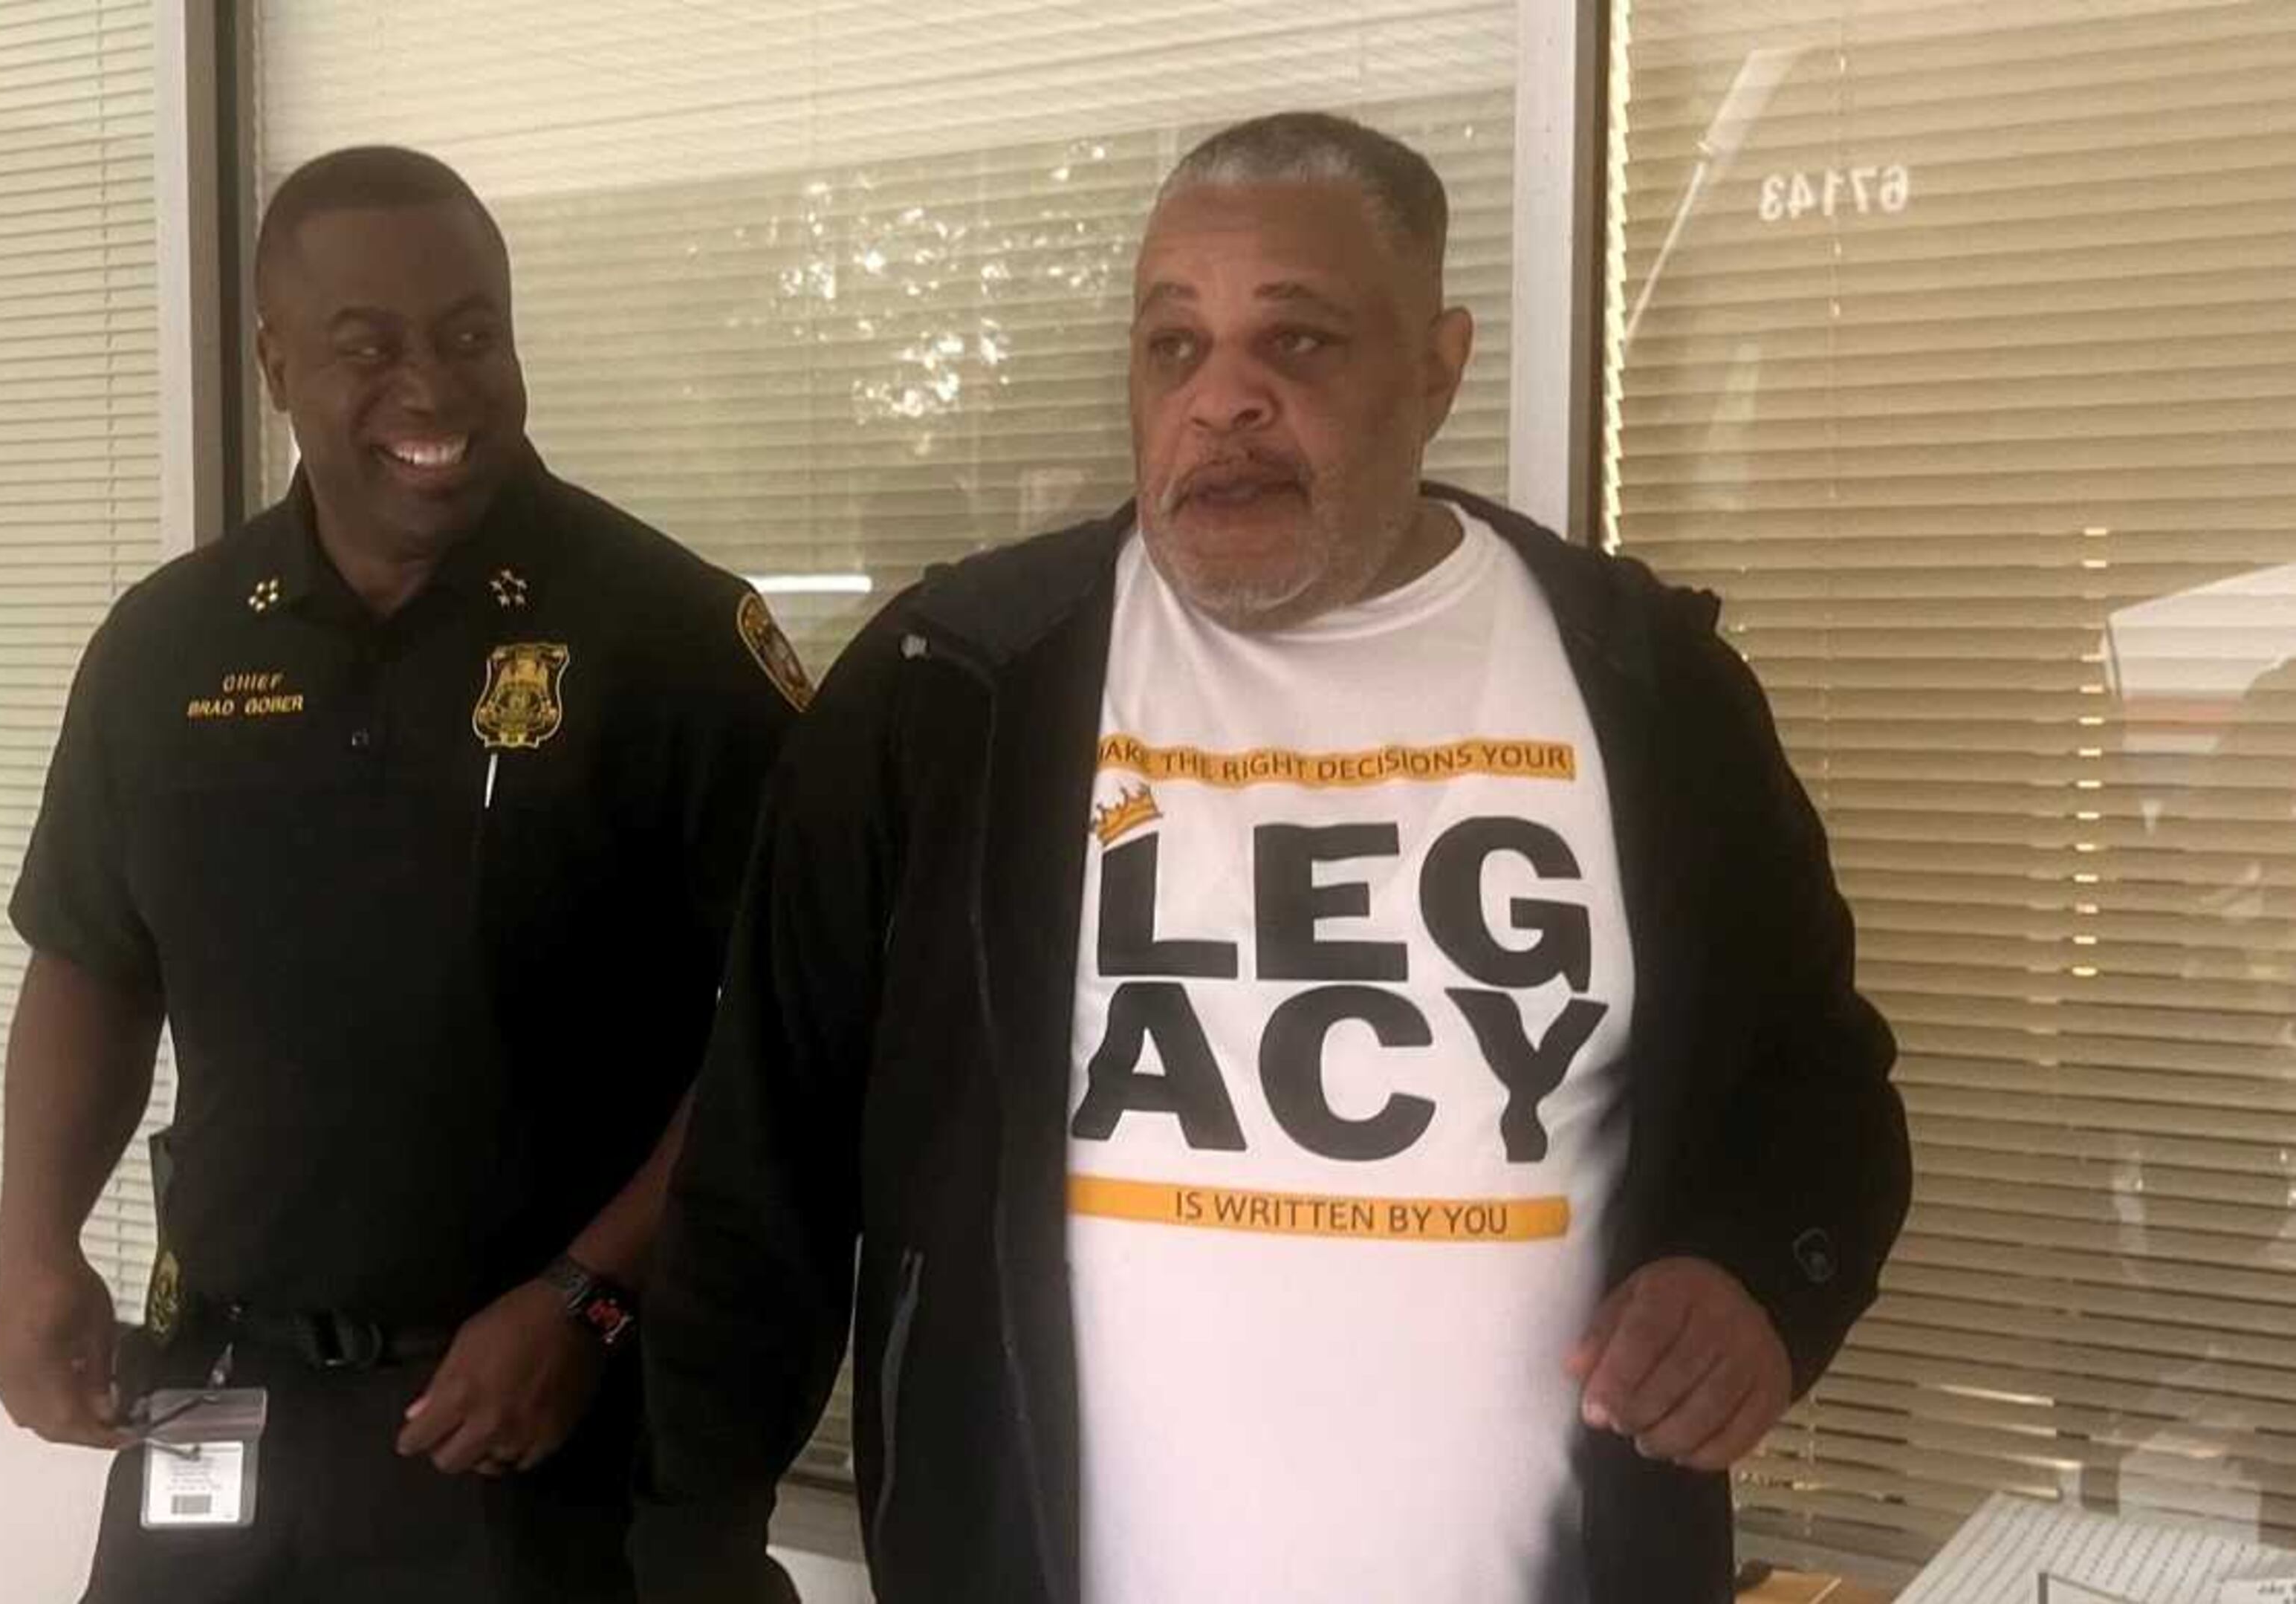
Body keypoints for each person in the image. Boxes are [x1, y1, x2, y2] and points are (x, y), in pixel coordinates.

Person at [632, 111, 1910, 1604]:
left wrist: (1759, 1276)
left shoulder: (1649, 691)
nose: (1223, 400)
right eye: (1174, 346)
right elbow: (761, 1168)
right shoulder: (952, 690)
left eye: (1296, 343)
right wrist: (697, 1549)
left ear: (1438, 367)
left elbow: (1818, 1089)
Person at [0, 145, 805, 1603]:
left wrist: (588, 1298)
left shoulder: (673, 641)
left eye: (471, 334)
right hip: (219, 1391)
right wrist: (32, 1246)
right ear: (272, 358)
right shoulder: (166, 646)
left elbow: (794, 1037)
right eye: (370, 347)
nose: (433, 388)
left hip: (545, 1425)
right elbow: (93, 958)